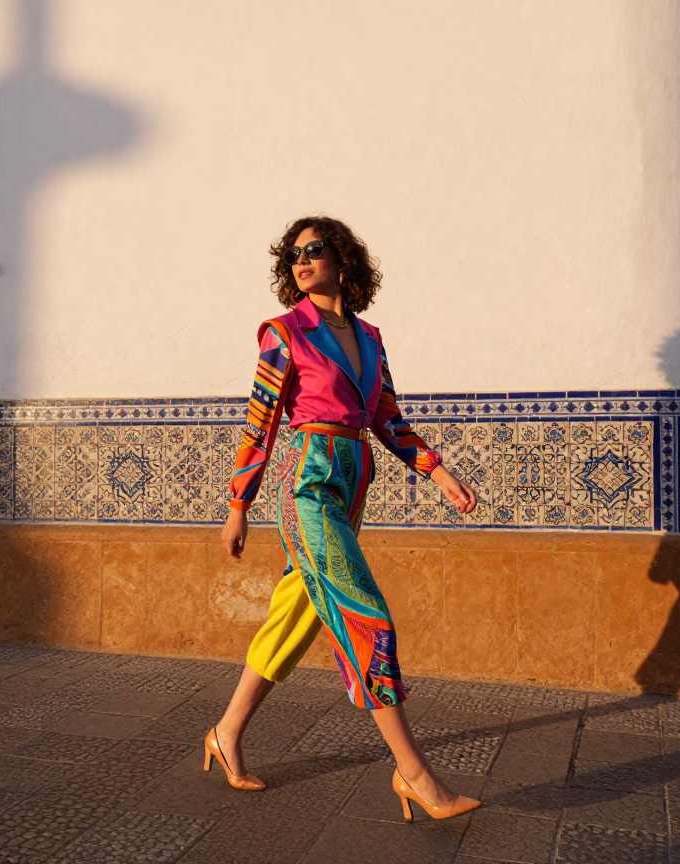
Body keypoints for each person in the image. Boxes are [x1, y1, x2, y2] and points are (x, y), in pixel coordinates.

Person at [208, 216, 482, 821]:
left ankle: (225, 733)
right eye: (294, 254)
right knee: (365, 615)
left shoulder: (370, 338)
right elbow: (261, 422)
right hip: (306, 487)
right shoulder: (284, 331)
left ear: (343, 260)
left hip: (352, 486)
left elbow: (386, 416)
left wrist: (437, 472)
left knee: (296, 616)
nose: (302, 261)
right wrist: (238, 506)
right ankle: (415, 776)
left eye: (315, 250)